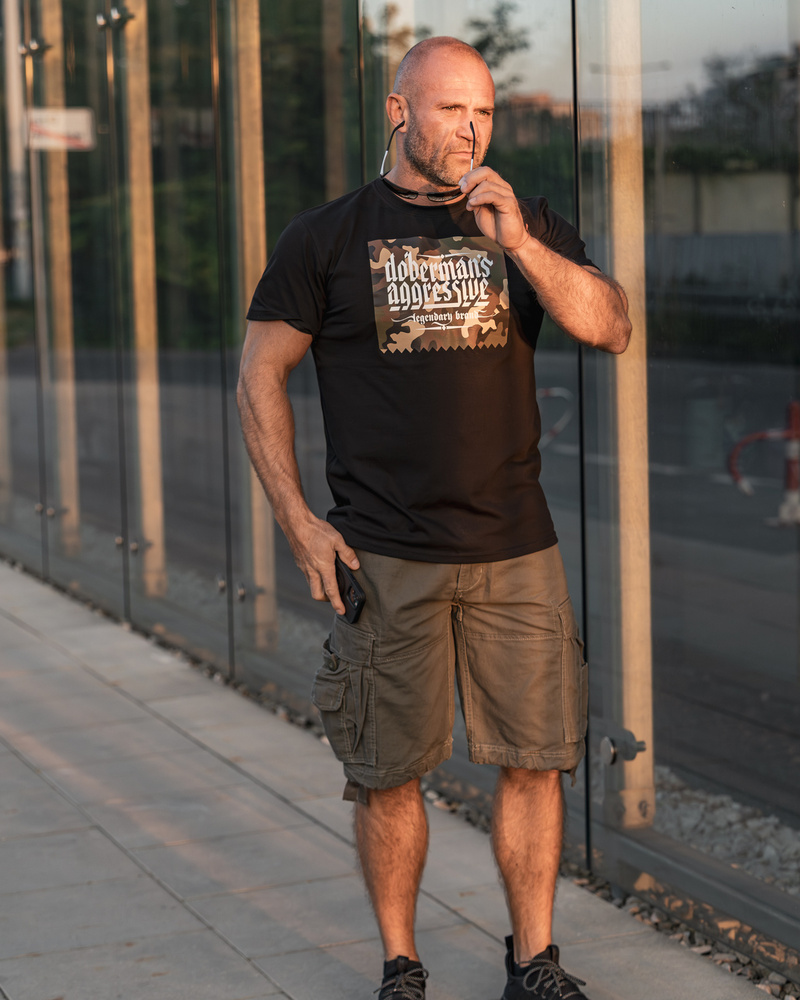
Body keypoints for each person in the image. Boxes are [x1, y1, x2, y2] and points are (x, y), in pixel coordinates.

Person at [238, 35, 630, 1000]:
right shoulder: (326, 237)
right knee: (387, 772)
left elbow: (610, 327)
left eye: (484, 112)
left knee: (535, 763)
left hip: (514, 544)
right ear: (398, 112)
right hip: (384, 554)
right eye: (452, 109)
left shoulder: (524, 222)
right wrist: (298, 521)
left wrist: (522, 244)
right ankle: (401, 965)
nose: (470, 129)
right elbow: (258, 375)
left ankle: (533, 961)